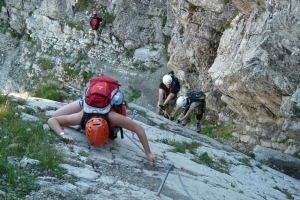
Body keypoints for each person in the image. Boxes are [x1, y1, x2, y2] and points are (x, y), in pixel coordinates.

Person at [48, 76, 157, 163]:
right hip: (87, 104)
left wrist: (148, 153)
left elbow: (138, 128)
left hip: (106, 106)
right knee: (54, 114)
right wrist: (63, 134)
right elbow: (52, 120)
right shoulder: (81, 116)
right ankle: (82, 101)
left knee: (57, 116)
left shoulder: (112, 117)